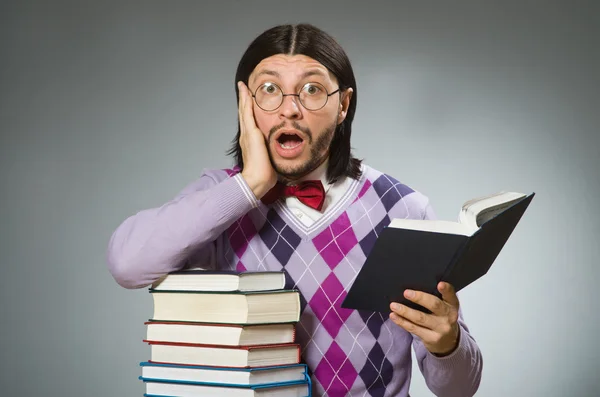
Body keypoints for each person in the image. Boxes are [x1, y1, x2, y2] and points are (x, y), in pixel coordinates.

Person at [106, 23, 483, 397]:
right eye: (269, 90)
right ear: (246, 105)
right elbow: (127, 263)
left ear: (343, 106)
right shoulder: (218, 200)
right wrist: (249, 186)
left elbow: (460, 389)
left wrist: (447, 344)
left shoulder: (403, 209)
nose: (290, 109)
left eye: (312, 90)